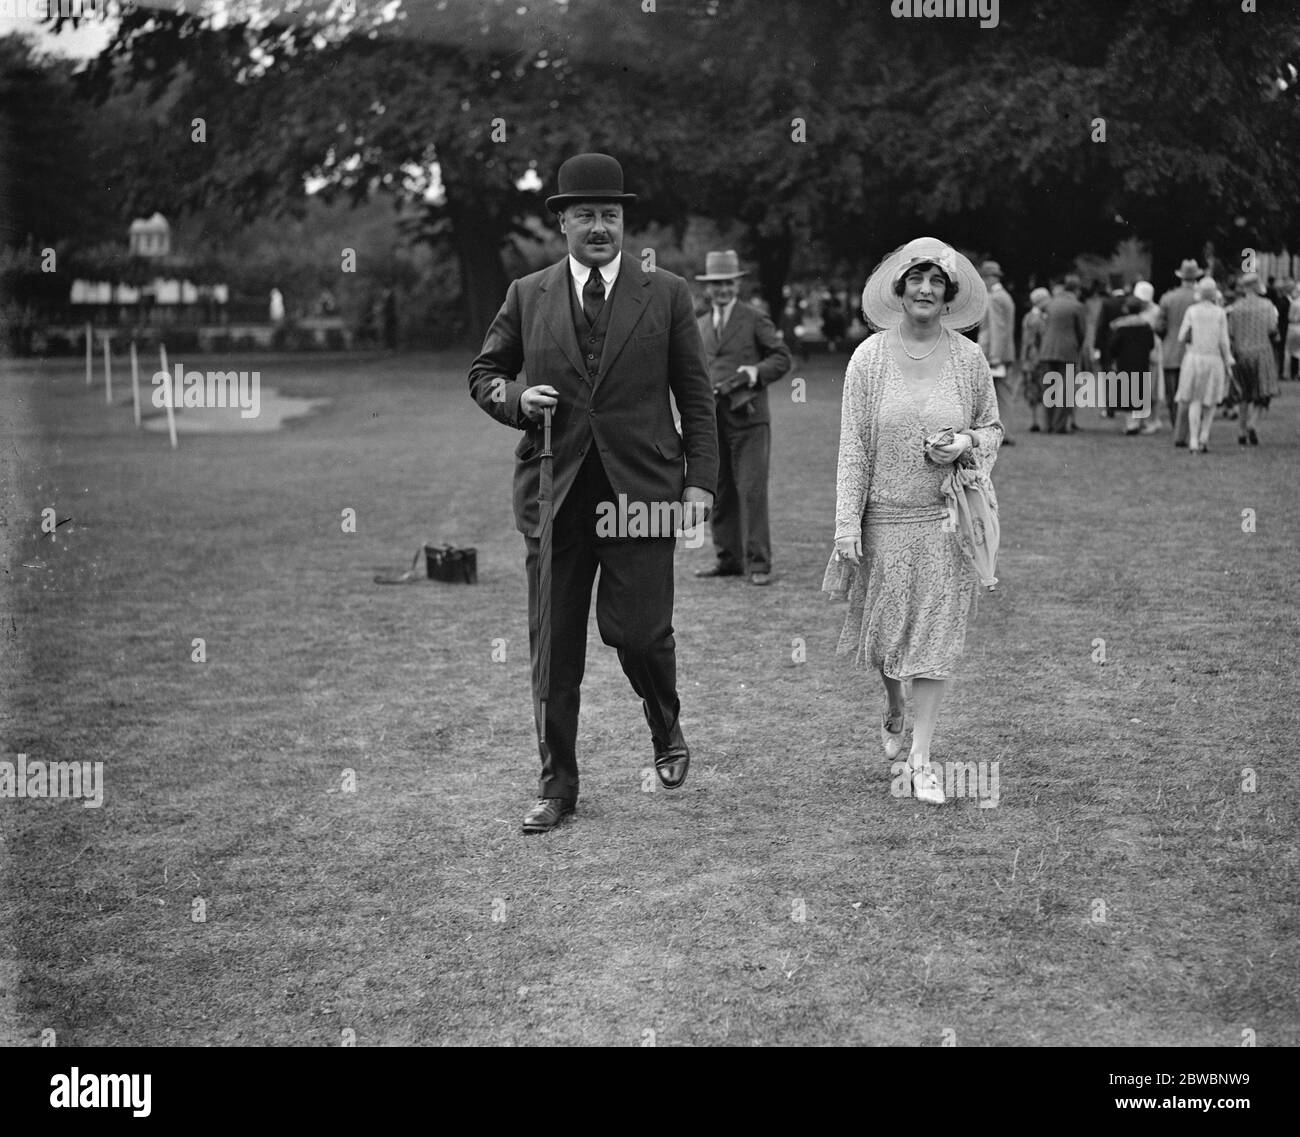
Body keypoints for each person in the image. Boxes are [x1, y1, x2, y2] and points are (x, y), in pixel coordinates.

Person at [467, 153, 718, 833]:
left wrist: (698, 483)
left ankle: (665, 721)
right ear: (563, 223)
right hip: (555, 495)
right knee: (553, 648)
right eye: (585, 215)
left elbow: (696, 396)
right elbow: (485, 373)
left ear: (624, 221)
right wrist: (520, 400)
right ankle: (557, 785)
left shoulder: (664, 292)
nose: (599, 226)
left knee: (637, 635)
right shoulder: (528, 294)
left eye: (610, 214)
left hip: (642, 492)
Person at [825, 237, 1002, 806]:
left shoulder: (969, 359)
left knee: (936, 637)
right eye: (916, 280)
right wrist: (846, 523)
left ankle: (921, 758)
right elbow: (853, 445)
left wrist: (966, 442)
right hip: (884, 518)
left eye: (936, 282)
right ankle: (894, 704)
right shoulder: (868, 359)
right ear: (899, 289)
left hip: (946, 520)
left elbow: (992, 430)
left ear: (949, 295)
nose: (925, 290)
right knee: (887, 640)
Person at [693, 250, 793, 586]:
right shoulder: (700, 324)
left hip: (749, 419)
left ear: (737, 284)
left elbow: (781, 358)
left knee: (751, 490)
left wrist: (754, 373)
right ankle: (728, 560)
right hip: (712, 420)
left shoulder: (755, 318)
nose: (722, 289)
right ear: (709, 288)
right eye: (716, 284)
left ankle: (759, 564)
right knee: (718, 492)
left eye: (728, 283)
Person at [1175, 275, 1234, 454]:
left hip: (1194, 358)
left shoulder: (1192, 311)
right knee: (1210, 401)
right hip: (1213, 358)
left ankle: (1193, 439)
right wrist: (1228, 360)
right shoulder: (1220, 313)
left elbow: (1181, 335)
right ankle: (1204, 436)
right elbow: (1224, 341)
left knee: (1195, 399)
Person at [1226, 271, 1280, 445]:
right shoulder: (1267, 305)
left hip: (1241, 353)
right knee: (1263, 393)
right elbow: (1273, 330)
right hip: (1262, 352)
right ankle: (1253, 423)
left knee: (1243, 394)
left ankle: (1241, 430)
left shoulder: (1235, 307)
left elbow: (1230, 333)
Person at [1157, 260, 1202, 447]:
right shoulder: (1201, 298)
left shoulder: (1168, 298)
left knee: (1173, 394)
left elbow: (1159, 326)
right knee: (1194, 393)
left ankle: (1178, 428)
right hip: (1195, 350)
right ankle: (1190, 429)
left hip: (1171, 350)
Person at [1037, 275, 1087, 434]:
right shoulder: (1077, 306)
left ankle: (1047, 424)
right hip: (1067, 351)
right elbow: (1082, 332)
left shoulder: (1050, 303)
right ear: (1077, 289)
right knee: (1066, 390)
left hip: (1047, 350)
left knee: (1049, 389)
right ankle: (1059, 426)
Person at [1106, 296, 1159, 434]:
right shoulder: (1146, 326)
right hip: (1142, 362)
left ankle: (1131, 424)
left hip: (1125, 362)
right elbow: (1151, 344)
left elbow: (1113, 347)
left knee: (1127, 393)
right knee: (1140, 391)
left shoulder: (1121, 327)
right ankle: (1139, 422)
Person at [978, 260, 1017, 445]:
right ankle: (1003, 432)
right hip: (1004, 352)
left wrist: (994, 356)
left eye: (984, 278)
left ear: (990, 278)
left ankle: (1003, 434)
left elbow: (997, 329)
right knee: (1003, 394)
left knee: (999, 395)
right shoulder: (1004, 296)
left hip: (995, 353)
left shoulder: (996, 298)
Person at [1131, 280, 1165, 433]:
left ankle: (1154, 419)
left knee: (1153, 386)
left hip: (1153, 351)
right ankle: (1140, 419)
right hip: (1138, 351)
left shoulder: (1156, 311)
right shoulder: (1136, 311)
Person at [1019, 286, 1050, 432]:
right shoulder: (1040, 319)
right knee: (1041, 387)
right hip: (1038, 357)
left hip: (1029, 357)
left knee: (1033, 388)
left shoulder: (1027, 317)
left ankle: (1035, 420)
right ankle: (1041, 421)